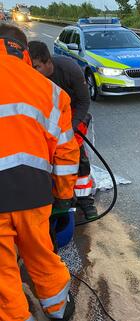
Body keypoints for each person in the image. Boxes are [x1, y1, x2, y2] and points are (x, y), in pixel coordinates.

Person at [0, 24, 80, 321]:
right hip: (34, 192)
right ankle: (58, 310)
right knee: (40, 253)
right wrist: (62, 192)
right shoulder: (51, 92)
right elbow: (66, 153)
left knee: (3, 270)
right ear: (23, 50)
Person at [28, 41, 98, 220]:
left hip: (73, 114)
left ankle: (84, 200)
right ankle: (57, 195)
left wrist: (71, 129)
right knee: (47, 157)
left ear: (47, 62)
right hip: (47, 116)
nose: (31, 71)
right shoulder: (30, 77)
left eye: (36, 67)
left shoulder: (69, 70)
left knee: (76, 155)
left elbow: (84, 102)